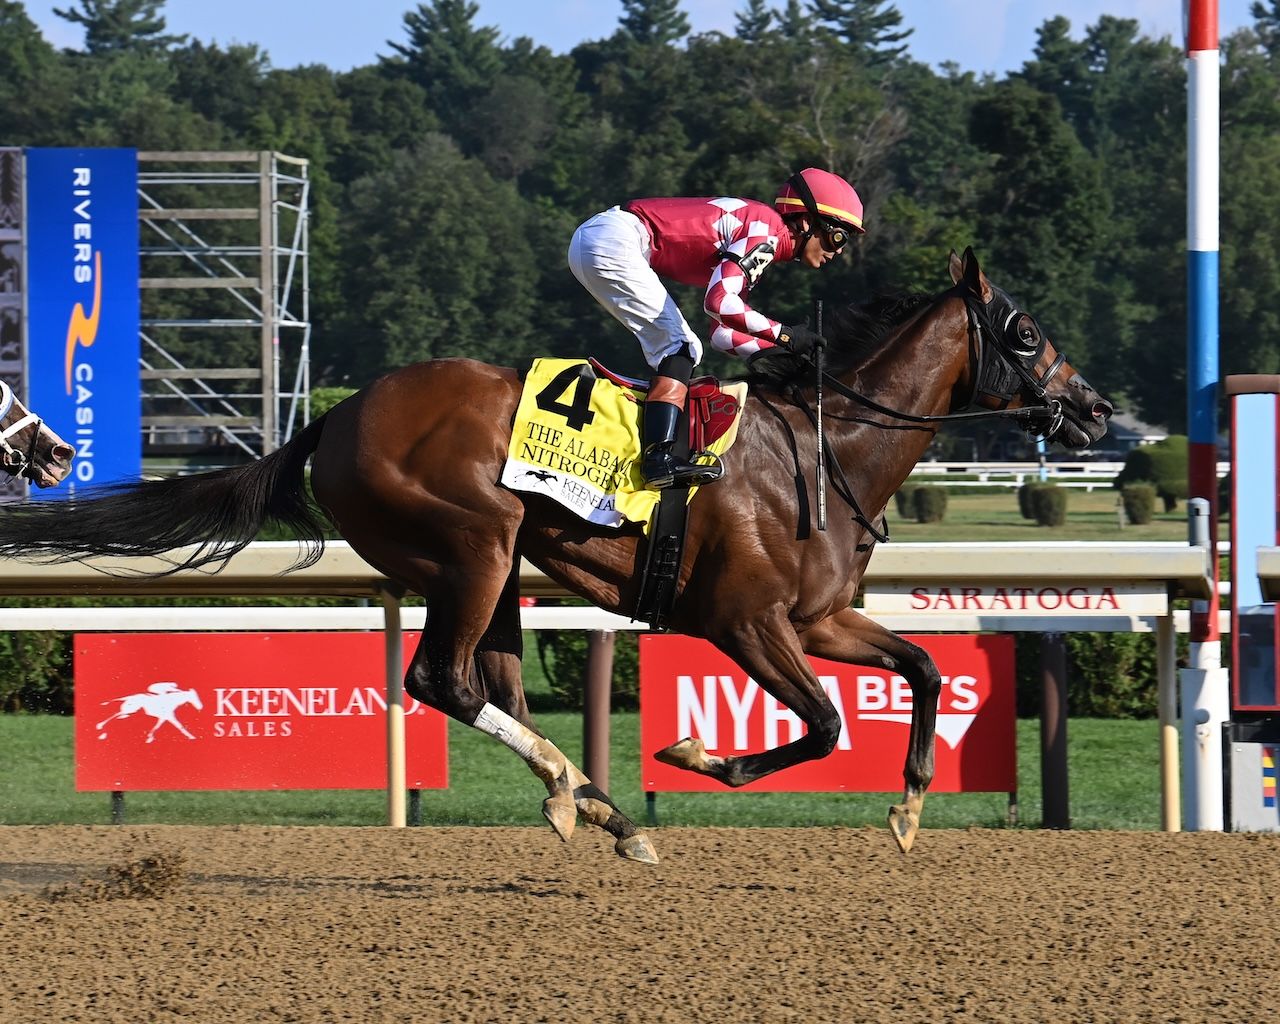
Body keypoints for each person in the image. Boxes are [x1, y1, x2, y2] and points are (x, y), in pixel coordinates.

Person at [567, 167, 865, 490]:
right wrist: (786, 335)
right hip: (614, 239)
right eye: (838, 236)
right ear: (806, 222)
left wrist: (781, 352)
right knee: (679, 346)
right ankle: (658, 459)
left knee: (683, 346)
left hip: (605, 238)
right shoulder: (766, 231)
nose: (838, 251)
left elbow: (721, 334)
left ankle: (658, 453)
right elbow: (719, 302)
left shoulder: (761, 238)